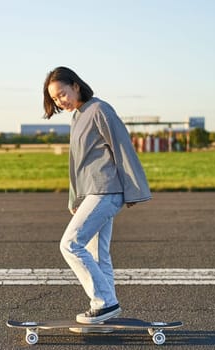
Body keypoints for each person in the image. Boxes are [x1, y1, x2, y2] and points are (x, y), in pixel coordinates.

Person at [42, 66, 152, 325]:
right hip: (92, 192)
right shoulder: (78, 116)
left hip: (106, 190)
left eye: (62, 94)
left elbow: (122, 147)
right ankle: (107, 309)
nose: (60, 101)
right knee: (98, 254)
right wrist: (75, 199)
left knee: (70, 244)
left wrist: (133, 189)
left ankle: (104, 302)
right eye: (55, 99)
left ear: (76, 85)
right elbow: (76, 163)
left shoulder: (100, 110)